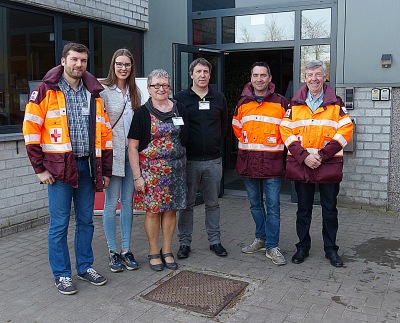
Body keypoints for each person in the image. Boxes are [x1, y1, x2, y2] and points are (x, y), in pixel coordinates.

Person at [22, 43, 112, 295]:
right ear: (63, 61)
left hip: (87, 166)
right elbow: (30, 132)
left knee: (86, 221)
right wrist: (39, 169)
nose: (79, 65)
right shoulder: (45, 91)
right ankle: (62, 274)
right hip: (57, 170)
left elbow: (104, 135)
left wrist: (104, 170)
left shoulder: (93, 94)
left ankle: (85, 267)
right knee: (60, 224)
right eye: (74, 59)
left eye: (83, 60)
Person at [279, 60, 353, 267]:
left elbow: (346, 131)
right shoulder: (294, 105)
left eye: (318, 74)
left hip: (328, 164)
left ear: (325, 76)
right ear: (305, 78)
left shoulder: (336, 104)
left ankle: (331, 249)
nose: (314, 79)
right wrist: (304, 156)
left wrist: (321, 155)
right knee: (303, 210)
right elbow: (285, 131)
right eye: (310, 75)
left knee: (330, 209)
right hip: (303, 164)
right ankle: (302, 247)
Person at [128, 69, 188, 271]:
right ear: (149, 88)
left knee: (171, 211)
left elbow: (184, 137)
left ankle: (167, 250)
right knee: (153, 212)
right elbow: (133, 147)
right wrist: (137, 177)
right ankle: (154, 251)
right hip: (151, 172)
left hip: (175, 170)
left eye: (165, 85)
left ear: (169, 87)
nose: (161, 89)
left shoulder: (180, 108)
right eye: (157, 85)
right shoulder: (141, 113)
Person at [232, 62, 289, 266]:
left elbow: (287, 132)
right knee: (255, 205)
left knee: (273, 207)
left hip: (272, 164)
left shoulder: (281, 103)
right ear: (251, 77)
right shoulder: (242, 104)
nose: (259, 79)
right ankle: (261, 238)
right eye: (255, 75)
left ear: (269, 78)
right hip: (249, 163)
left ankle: (272, 246)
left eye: (263, 75)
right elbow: (237, 128)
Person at [174, 58, 229, 259]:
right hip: (188, 161)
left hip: (213, 160)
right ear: (191, 74)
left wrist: (214, 144)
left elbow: (224, 126)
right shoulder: (180, 99)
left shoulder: (219, 98)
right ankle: (184, 243)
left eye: (206, 71)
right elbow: (176, 127)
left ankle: (215, 241)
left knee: (212, 203)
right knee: (186, 204)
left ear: (209, 74)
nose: (202, 75)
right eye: (198, 71)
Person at [100, 49, 141, 273]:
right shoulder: (104, 91)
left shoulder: (135, 92)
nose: (123, 68)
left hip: (130, 155)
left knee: (128, 203)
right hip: (112, 155)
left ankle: (126, 250)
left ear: (132, 67)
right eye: (119, 64)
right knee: (110, 203)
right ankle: (112, 251)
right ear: (113, 65)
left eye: (127, 64)